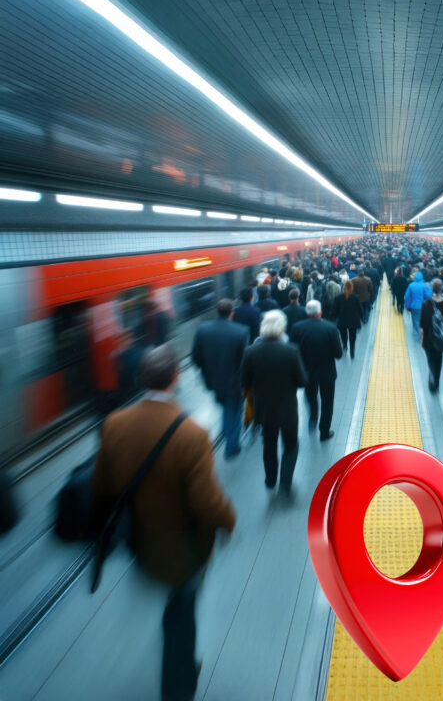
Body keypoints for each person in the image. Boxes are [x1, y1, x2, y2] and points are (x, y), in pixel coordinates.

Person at [95, 345, 236, 701]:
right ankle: (178, 686)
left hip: (141, 539)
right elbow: (206, 500)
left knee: (176, 602)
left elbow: (105, 484)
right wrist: (228, 519)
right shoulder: (192, 434)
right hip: (184, 545)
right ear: (175, 377)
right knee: (182, 611)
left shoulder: (114, 424)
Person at [241, 311, 308, 490]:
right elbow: (302, 381)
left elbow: (244, 383)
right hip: (288, 410)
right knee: (291, 445)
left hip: (263, 410)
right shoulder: (291, 351)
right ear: (282, 328)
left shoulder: (250, 352)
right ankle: (285, 482)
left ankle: (271, 480)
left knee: (269, 445)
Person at [192, 299, 249, 459]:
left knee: (225, 406)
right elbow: (244, 360)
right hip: (234, 381)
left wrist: (207, 370)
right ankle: (232, 446)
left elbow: (196, 357)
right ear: (232, 313)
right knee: (235, 410)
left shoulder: (203, 329)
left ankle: (226, 430)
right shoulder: (241, 331)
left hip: (213, 381)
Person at [289, 300, 343, 441]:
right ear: (320, 313)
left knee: (311, 396)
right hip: (327, 373)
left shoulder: (296, 328)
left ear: (307, 313)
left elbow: (292, 350)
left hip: (306, 372)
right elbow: (338, 354)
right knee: (327, 401)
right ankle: (324, 431)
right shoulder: (331, 328)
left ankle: (313, 416)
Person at [419, 279, 443, 393]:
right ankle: (437, 381)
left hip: (429, 338)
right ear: (442, 289)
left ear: (431, 289)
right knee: (439, 360)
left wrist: (422, 337)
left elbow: (422, 324)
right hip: (441, 338)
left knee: (430, 358)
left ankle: (432, 375)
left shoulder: (426, 304)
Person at [335, 278, 364, 359]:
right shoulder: (355, 297)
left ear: (344, 287)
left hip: (342, 321)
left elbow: (335, 310)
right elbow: (360, 309)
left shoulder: (339, 297)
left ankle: (344, 345)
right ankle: (352, 351)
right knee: (352, 337)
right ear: (352, 287)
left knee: (343, 335)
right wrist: (362, 318)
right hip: (353, 321)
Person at [404, 270, 430, 339]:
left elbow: (406, 297)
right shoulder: (424, 285)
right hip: (424, 306)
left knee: (415, 320)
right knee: (423, 319)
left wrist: (407, 305)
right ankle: (423, 331)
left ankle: (417, 333)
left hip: (414, 306)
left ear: (415, 277)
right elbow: (428, 296)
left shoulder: (411, 285)